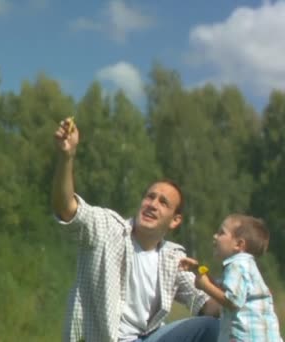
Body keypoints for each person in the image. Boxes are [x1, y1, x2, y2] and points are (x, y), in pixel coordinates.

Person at [51, 117, 220, 342]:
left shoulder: (173, 258)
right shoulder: (107, 229)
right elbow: (66, 208)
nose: (152, 204)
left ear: (175, 221)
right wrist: (66, 157)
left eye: (163, 202)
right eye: (150, 197)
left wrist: (245, 298)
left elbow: (207, 306)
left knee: (211, 327)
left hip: (147, 338)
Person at [180, 214, 282, 342]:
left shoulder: (237, 265)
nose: (215, 236)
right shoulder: (245, 265)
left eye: (221, 233)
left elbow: (232, 300)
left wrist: (205, 286)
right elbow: (221, 290)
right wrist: (197, 271)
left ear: (239, 244)